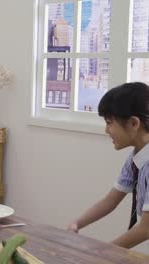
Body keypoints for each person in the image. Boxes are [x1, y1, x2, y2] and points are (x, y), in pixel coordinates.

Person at [67, 82, 149, 248]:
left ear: (133, 123)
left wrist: (103, 253)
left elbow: (146, 229)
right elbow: (110, 201)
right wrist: (77, 223)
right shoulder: (135, 159)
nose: (106, 130)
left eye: (109, 122)